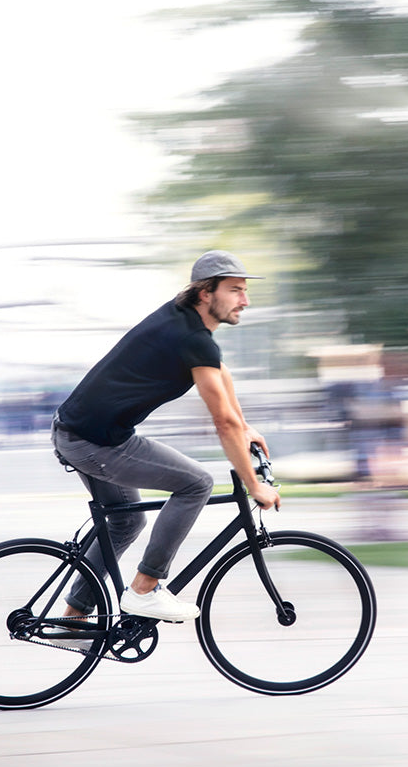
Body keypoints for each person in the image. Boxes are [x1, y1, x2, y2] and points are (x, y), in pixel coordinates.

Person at [51, 250, 280, 623]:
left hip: (78, 431)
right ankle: (145, 588)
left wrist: (245, 425)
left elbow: (220, 373)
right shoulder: (192, 337)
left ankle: (73, 616)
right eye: (236, 290)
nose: (245, 300)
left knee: (126, 521)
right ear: (206, 292)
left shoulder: (184, 323)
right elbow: (221, 422)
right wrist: (254, 485)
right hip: (95, 442)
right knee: (197, 483)